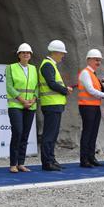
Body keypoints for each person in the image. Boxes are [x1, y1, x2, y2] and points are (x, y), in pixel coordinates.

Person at [39, 40, 73, 171]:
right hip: (51, 104)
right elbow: (51, 83)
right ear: (56, 52)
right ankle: (47, 162)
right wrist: (65, 90)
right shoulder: (47, 65)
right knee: (49, 135)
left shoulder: (50, 65)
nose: (63, 56)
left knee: (53, 135)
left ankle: (51, 159)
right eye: (62, 53)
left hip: (55, 105)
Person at [78, 49, 104, 168]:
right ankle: (84, 159)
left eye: (99, 60)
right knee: (87, 132)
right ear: (89, 60)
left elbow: (97, 90)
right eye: (96, 60)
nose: (98, 62)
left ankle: (91, 157)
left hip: (94, 106)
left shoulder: (93, 74)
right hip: (87, 107)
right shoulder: (85, 73)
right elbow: (90, 90)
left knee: (93, 133)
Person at [6, 43, 38, 173]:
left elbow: (37, 87)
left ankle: (21, 163)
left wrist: (34, 99)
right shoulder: (11, 68)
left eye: (28, 53)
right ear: (19, 55)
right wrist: (22, 100)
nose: (26, 54)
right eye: (23, 52)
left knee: (25, 134)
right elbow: (9, 86)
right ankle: (13, 163)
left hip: (30, 105)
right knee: (17, 132)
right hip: (16, 105)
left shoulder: (34, 69)